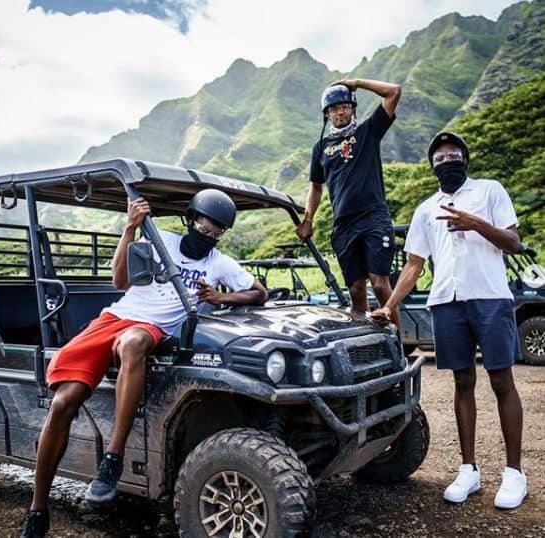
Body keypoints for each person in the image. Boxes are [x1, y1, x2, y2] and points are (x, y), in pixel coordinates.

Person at [21, 189, 268, 537]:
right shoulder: (157, 240)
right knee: (63, 402)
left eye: (216, 233)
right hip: (115, 318)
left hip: (152, 327)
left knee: (134, 343)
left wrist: (221, 296)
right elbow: (120, 282)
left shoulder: (218, 264)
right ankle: (38, 507)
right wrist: (130, 229)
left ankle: (113, 457)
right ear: (190, 219)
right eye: (203, 228)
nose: (207, 237)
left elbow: (260, 293)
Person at [371, 132, 527, 509]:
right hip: (446, 302)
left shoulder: (490, 192)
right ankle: (468, 469)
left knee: (502, 380)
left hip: (490, 297)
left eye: (453, 155)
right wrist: (389, 305)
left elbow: (514, 242)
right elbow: (413, 266)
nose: (447, 161)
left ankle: (514, 473)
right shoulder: (426, 209)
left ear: (465, 159)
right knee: (462, 381)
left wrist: (476, 224)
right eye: (439, 159)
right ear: (433, 167)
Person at [296, 78, 402, 333]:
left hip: (373, 217)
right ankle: (365, 348)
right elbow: (316, 187)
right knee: (356, 291)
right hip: (343, 226)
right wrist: (308, 220)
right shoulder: (321, 148)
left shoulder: (368, 132)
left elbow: (393, 93)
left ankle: (397, 347)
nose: (339, 112)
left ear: (352, 108)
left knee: (379, 284)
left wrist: (356, 83)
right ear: (327, 115)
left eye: (343, 106)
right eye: (333, 109)